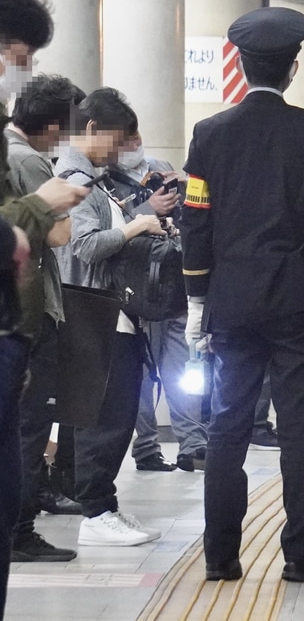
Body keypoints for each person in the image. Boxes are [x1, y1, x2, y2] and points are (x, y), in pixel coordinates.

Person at [181, 6, 304, 584]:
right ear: (294, 68)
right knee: (301, 424)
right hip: (296, 303)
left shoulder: (209, 135)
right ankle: (302, 556)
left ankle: (221, 556)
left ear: (241, 64)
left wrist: (197, 301)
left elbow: (195, 220)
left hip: (230, 302)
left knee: (227, 423)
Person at [0, 0, 90, 621]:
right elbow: (35, 230)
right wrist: (44, 205)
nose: (16, 67)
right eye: (18, 53)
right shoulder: (24, 156)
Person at [56, 88, 166, 549]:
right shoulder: (73, 177)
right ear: (92, 130)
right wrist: (138, 224)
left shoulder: (98, 176)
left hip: (111, 310)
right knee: (103, 416)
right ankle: (96, 511)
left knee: (116, 411)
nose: (120, 149)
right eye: (115, 140)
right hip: (91, 310)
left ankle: (104, 505)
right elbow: (83, 245)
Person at [7, 74, 87, 563]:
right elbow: (59, 236)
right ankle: (21, 530)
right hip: (31, 309)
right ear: (53, 125)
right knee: (31, 424)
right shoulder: (29, 160)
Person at [112, 134, 208, 472]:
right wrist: (145, 209)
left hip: (173, 285)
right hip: (136, 290)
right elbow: (112, 232)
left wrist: (184, 194)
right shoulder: (106, 178)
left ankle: (193, 445)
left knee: (182, 371)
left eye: (131, 138)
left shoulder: (160, 168)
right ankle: (147, 448)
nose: (129, 147)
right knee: (140, 377)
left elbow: (188, 217)